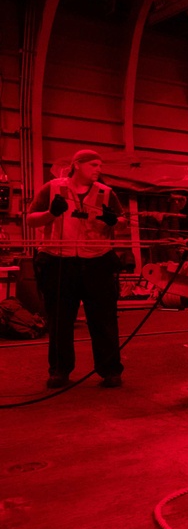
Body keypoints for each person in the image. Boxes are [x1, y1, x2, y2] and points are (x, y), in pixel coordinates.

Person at [27, 149, 125, 389]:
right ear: (77, 165)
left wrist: (114, 221)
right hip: (59, 260)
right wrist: (51, 213)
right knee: (60, 320)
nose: (98, 169)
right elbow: (30, 219)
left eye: (100, 165)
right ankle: (60, 370)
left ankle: (110, 370)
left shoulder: (106, 193)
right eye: (93, 165)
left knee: (103, 320)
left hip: (97, 260)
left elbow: (122, 222)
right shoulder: (51, 189)